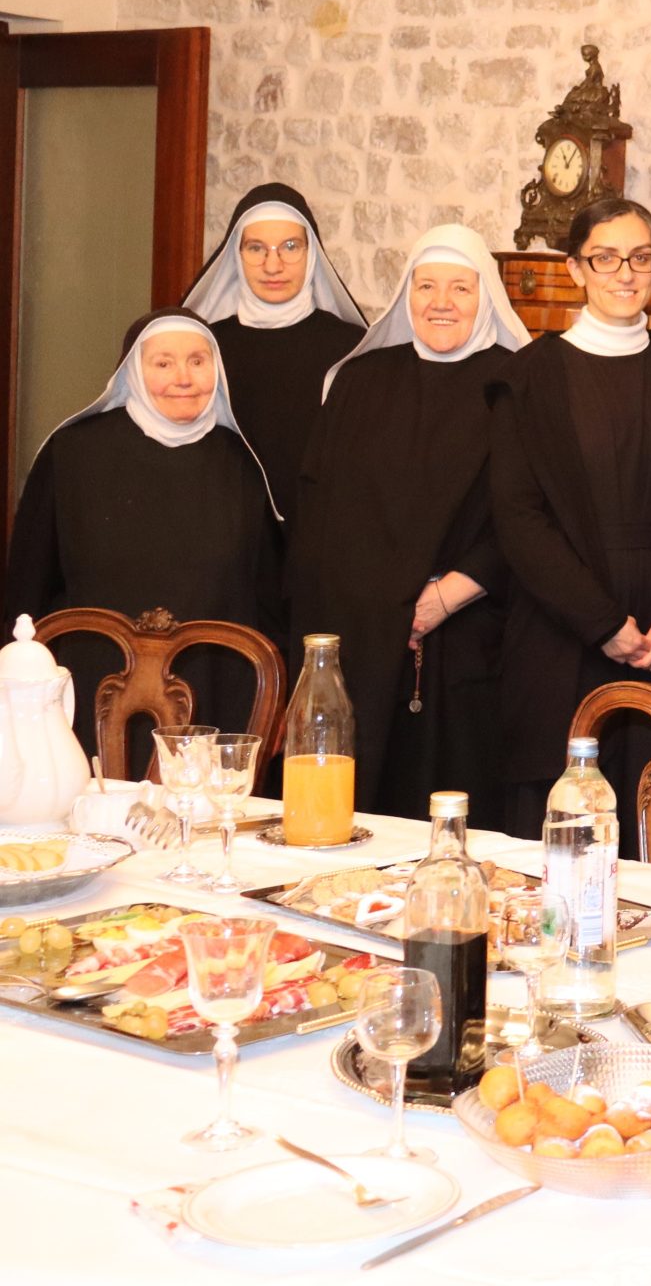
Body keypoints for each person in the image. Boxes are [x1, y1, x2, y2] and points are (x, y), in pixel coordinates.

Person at [287, 225, 530, 820]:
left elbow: (532, 514)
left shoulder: (518, 383)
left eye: (460, 288)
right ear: (406, 294)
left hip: (468, 633)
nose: (441, 302)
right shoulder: (361, 379)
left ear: (486, 298)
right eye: (426, 286)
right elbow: (320, 514)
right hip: (363, 637)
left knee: (451, 806)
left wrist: (448, 595)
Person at [488, 197, 651, 836]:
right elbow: (518, 519)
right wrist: (602, 622)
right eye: (605, 258)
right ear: (575, 268)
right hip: (559, 630)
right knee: (557, 829)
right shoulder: (525, 379)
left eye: (640, 258)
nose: (624, 273)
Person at [4, 309, 280, 769]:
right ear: (133, 370)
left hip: (218, 689)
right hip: (91, 688)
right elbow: (29, 583)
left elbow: (268, 598)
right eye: (163, 363)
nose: (183, 378)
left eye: (197, 361)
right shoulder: (72, 453)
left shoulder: (244, 462)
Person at [183, 183, 369, 530]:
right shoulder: (204, 348)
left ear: (312, 254)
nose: (273, 265)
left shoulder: (350, 348)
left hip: (319, 538)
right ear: (236, 255)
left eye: (290, 247)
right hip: (223, 536)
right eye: (256, 248)